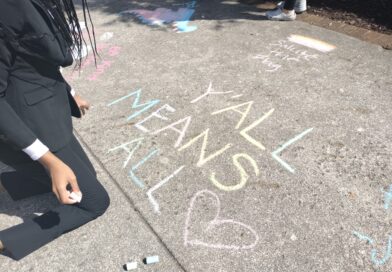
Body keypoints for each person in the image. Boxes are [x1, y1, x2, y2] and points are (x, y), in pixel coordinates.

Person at [0, 0, 110, 260]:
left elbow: (34, 56)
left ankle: (3, 185)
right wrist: (48, 161)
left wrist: (71, 92)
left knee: (86, 176)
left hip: (46, 107)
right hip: (24, 125)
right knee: (94, 200)